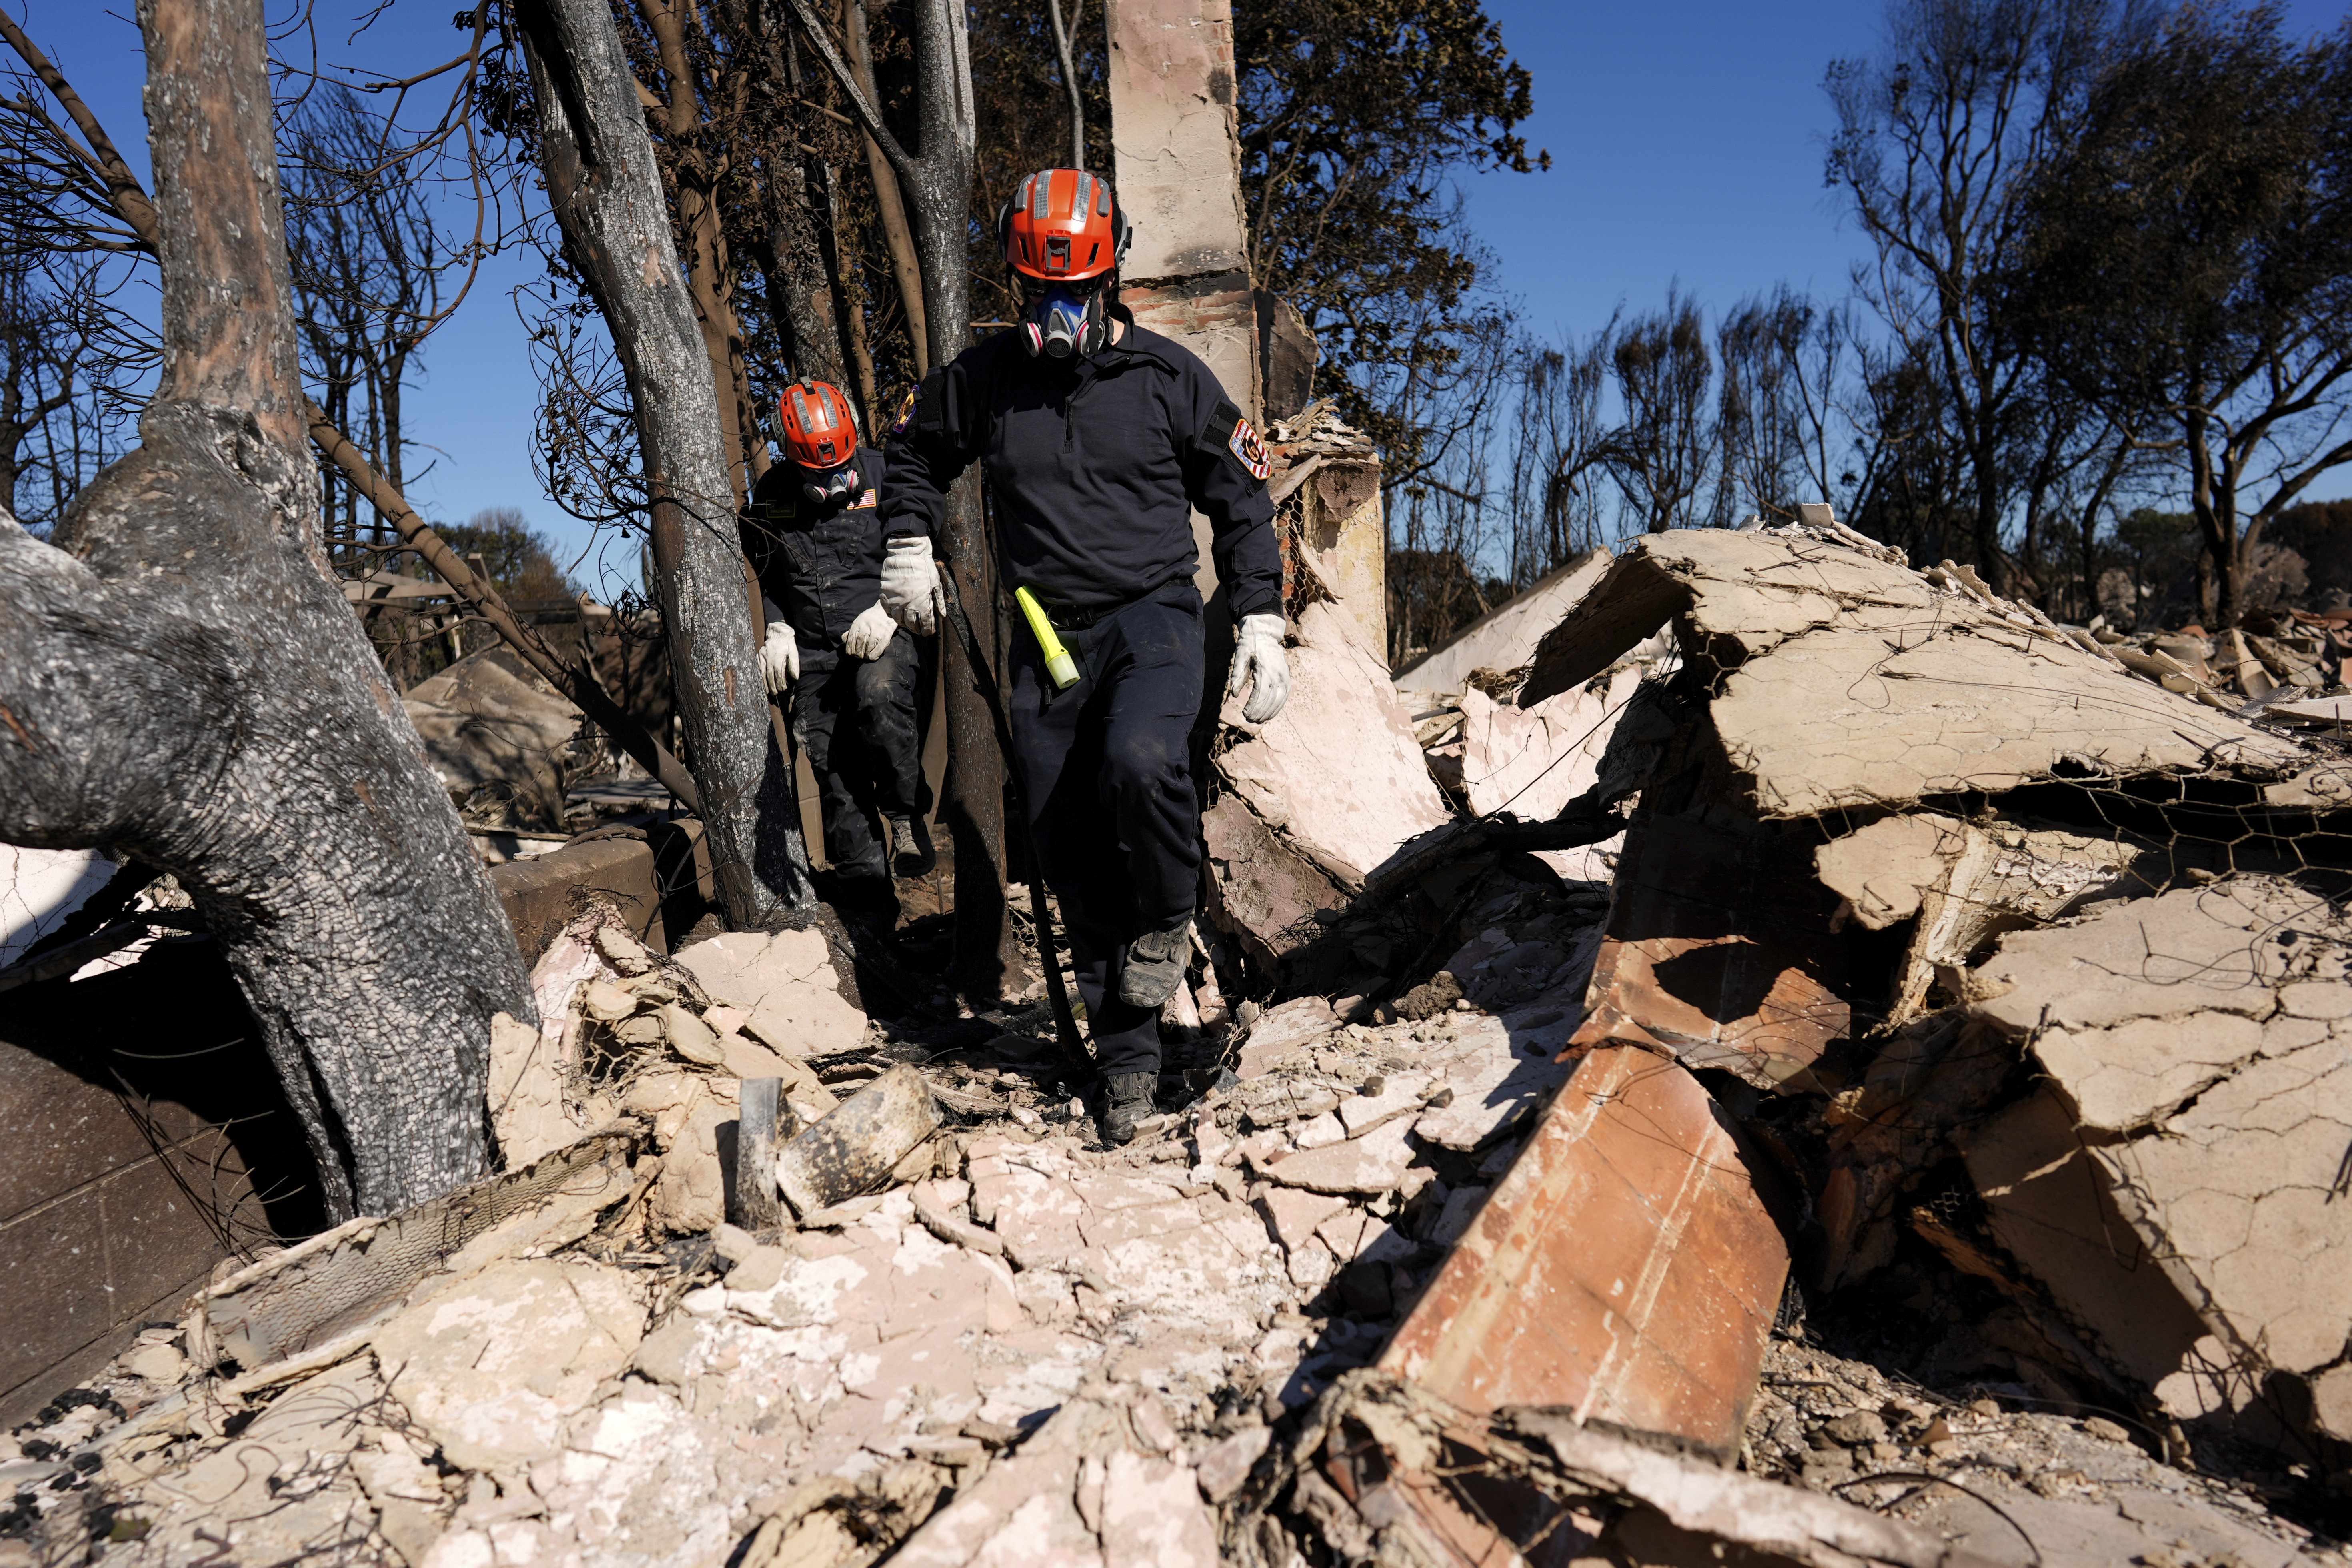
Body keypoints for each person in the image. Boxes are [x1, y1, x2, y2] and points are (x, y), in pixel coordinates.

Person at [877, 167, 1291, 1143]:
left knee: (1141, 765)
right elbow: (910, 453)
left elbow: (1240, 497)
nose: (1055, 312)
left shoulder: (1169, 379)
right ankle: (1131, 1067)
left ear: (1111, 277)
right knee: (1067, 847)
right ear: (1018, 286)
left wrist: (1264, 617)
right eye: (1037, 293)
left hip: (1152, 616)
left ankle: (1168, 911)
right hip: (1046, 630)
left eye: (1073, 291)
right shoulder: (984, 380)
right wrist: (906, 538)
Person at [743, 378, 929, 914]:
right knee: (834, 770)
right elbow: (766, 571)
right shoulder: (774, 493)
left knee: (879, 696)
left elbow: (919, 544)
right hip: (816, 650)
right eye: (817, 473)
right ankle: (874, 918)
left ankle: (905, 814)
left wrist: (891, 606)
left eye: (838, 466)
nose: (831, 480)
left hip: (881, 633)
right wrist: (775, 627)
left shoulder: (884, 473)